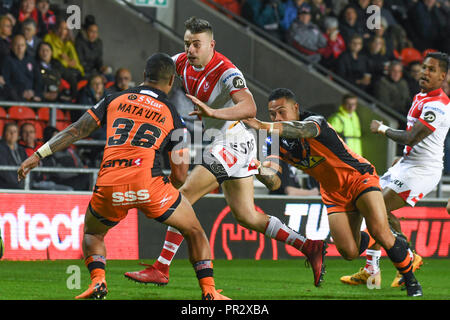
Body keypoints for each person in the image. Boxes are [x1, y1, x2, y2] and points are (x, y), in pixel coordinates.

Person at [124, 17, 326, 288]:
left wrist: (214, 112)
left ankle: (161, 268)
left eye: (197, 44)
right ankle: (309, 245)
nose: (191, 50)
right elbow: (156, 78)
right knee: (247, 216)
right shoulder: (179, 62)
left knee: (184, 196)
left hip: (232, 142)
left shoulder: (227, 71)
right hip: (221, 141)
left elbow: (249, 107)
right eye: (187, 44)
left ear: (211, 45)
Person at [17, 52, 230, 300]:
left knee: (92, 234)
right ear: (171, 80)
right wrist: (166, 195)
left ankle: (98, 282)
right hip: (150, 185)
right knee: (194, 231)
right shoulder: (173, 114)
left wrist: (38, 155)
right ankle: (209, 292)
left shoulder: (113, 98)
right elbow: (181, 173)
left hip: (109, 183)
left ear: (143, 76)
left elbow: (76, 130)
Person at [243, 87, 423, 297]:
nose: (276, 117)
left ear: (296, 108)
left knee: (379, 230)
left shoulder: (314, 121)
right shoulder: (272, 141)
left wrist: (265, 125)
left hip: (358, 177)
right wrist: (258, 169)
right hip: (333, 193)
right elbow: (273, 182)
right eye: (272, 114)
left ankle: (411, 282)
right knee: (349, 252)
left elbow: (301, 131)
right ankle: (390, 238)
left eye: (282, 111)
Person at [340, 52, 450, 289]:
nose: (424, 72)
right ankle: (391, 264)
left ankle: (388, 265)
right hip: (408, 164)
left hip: (423, 171)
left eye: (431, 70)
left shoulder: (438, 106)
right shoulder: (420, 96)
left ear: (443, 76)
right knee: (374, 208)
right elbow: (416, 138)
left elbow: (411, 135)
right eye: (423, 67)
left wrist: (382, 129)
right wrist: (405, 155)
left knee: (376, 210)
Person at [1, 34, 43, 101]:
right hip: (14, 98)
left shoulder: (32, 60)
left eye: (22, 45)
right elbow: (6, 82)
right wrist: (20, 93)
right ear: (11, 46)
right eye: (17, 45)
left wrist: (36, 93)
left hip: (32, 98)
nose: (20, 48)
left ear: (26, 46)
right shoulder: (6, 61)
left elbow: (38, 80)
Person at [0, 122, 27, 189]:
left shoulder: (22, 150)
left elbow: (28, 167)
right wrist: (18, 184)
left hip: (22, 186)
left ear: (18, 135)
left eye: (15, 131)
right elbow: (5, 172)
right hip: (6, 187)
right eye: (9, 131)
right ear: (4, 134)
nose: (12, 134)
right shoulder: (1, 149)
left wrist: (25, 183)